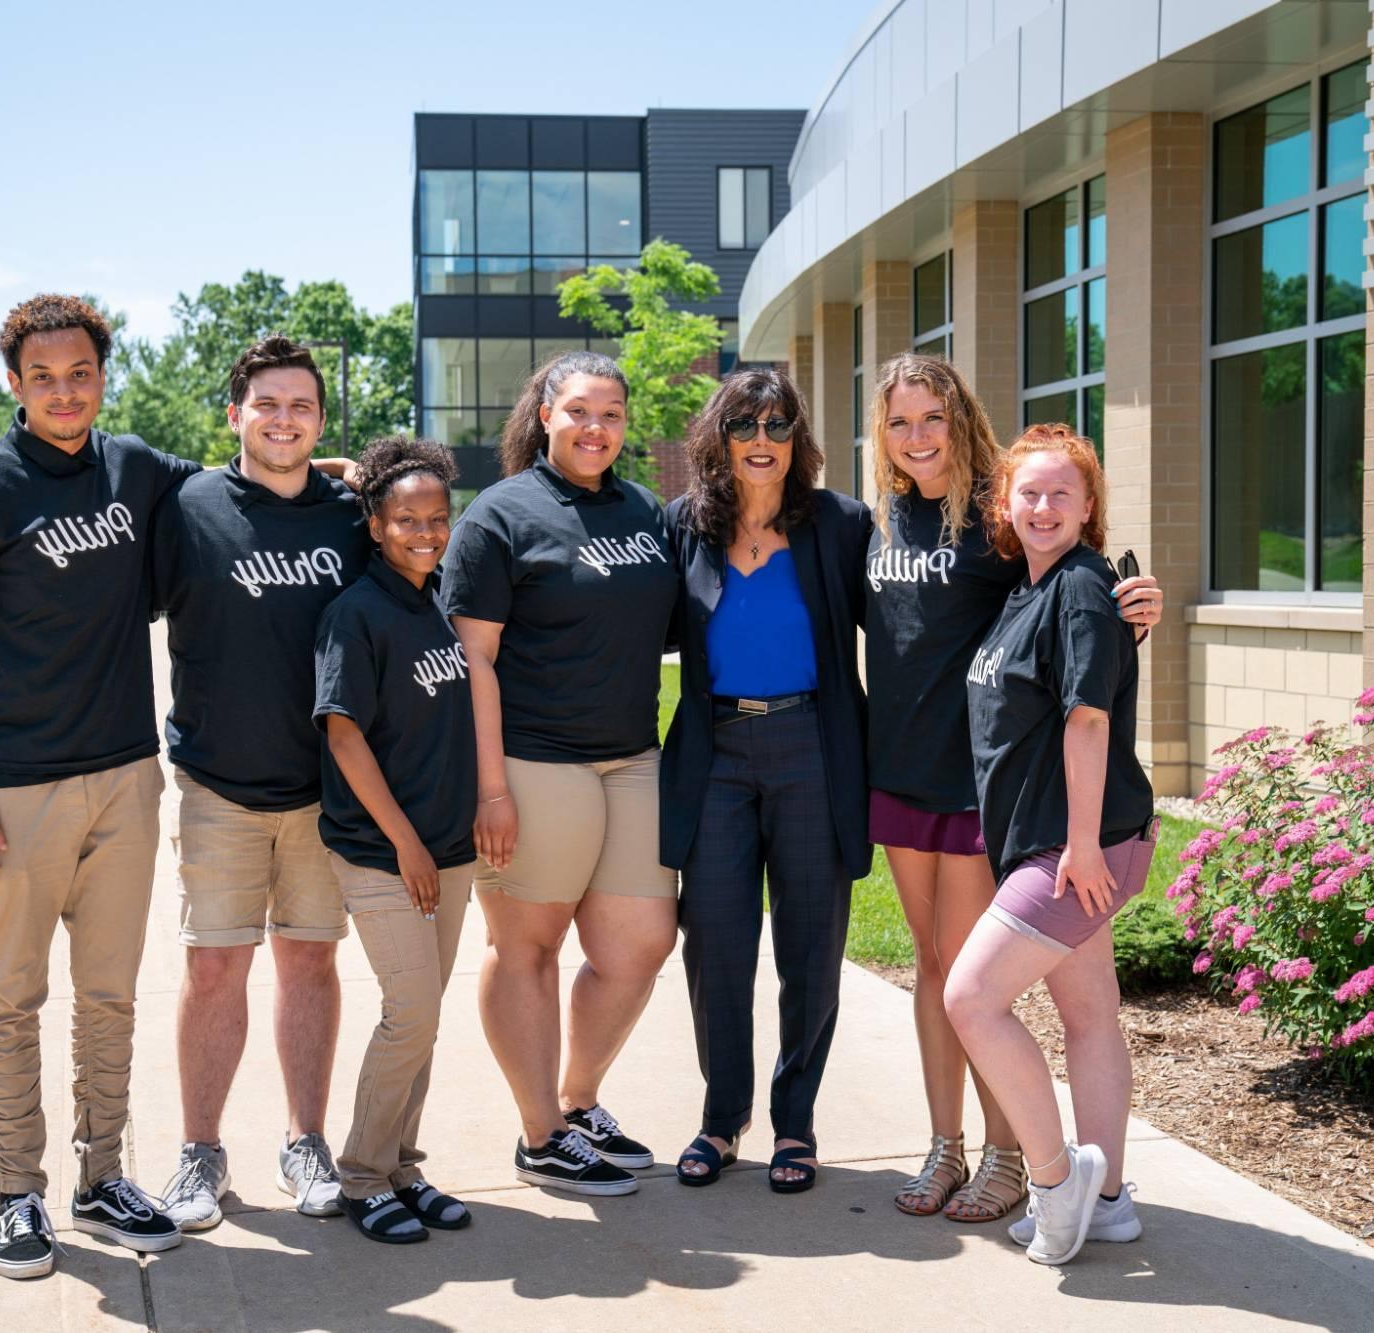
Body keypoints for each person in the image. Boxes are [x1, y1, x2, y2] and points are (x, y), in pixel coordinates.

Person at [0, 294, 195, 1279]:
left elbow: (244, 496)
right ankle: (17, 1191)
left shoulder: (138, 470)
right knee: (14, 997)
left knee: (109, 993)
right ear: (14, 385)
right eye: (43, 376)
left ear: (101, 375)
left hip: (124, 775)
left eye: (79, 373)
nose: (64, 391)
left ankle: (103, 1174)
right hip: (14, 784)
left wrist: (346, 484)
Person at [861, 353, 1160, 1223]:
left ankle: (1010, 1156)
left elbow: (1079, 609)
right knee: (930, 967)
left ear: (960, 419)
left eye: (933, 418)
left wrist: (1133, 608)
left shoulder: (999, 517)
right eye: (899, 422)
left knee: (974, 980)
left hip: (984, 789)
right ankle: (946, 1144)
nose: (918, 437)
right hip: (900, 775)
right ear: (880, 434)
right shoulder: (873, 524)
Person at [440, 350, 679, 1197]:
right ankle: (539, 1131)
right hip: (533, 761)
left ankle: (578, 1103)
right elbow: (473, 659)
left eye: (611, 413)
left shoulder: (645, 511)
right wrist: (490, 788)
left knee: (641, 943)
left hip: (630, 756)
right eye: (579, 410)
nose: (596, 427)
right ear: (545, 413)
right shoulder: (500, 516)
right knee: (525, 949)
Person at [147, 336, 370, 1228]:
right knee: (214, 968)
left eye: (302, 406)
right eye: (267, 404)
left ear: (321, 419)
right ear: (235, 412)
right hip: (218, 783)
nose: (285, 420)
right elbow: (101, 597)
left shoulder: (350, 514)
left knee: (310, 960)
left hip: (325, 789)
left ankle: (304, 1139)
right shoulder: (189, 506)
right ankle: (200, 1154)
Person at [944, 423, 1158, 1267]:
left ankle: (1057, 1177)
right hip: (1057, 841)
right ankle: (1107, 1205)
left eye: (1060, 493)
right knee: (1088, 1013)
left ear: (1089, 506)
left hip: (1077, 845)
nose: (1042, 506)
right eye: (1027, 492)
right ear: (1005, 502)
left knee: (971, 997)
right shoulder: (1029, 590)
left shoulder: (1077, 586)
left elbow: (1088, 715)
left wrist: (1078, 843)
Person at [659, 369, 871, 1193]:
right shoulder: (683, 526)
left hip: (811, 745)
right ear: (719, 437)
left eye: (778, 424)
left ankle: (796, 1124)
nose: (761, 438)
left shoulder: (840, 525)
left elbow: (916, 618)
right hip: (716, 753)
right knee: (714, 940)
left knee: (811, 946)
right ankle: (722, 1118)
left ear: (798, 438)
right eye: (744, 423)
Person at [313, 436, 477, 1244]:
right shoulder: (356, 612)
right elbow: (344, 736)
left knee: (426, 1017)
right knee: (409, 1012)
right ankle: (361, 1175)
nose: (424, 531)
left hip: (450, 847)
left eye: (436, 517)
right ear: (375, 525)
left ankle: (404, 1164)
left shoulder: (441, 598)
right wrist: (408, 843)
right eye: (405, 518)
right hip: (381, 849)